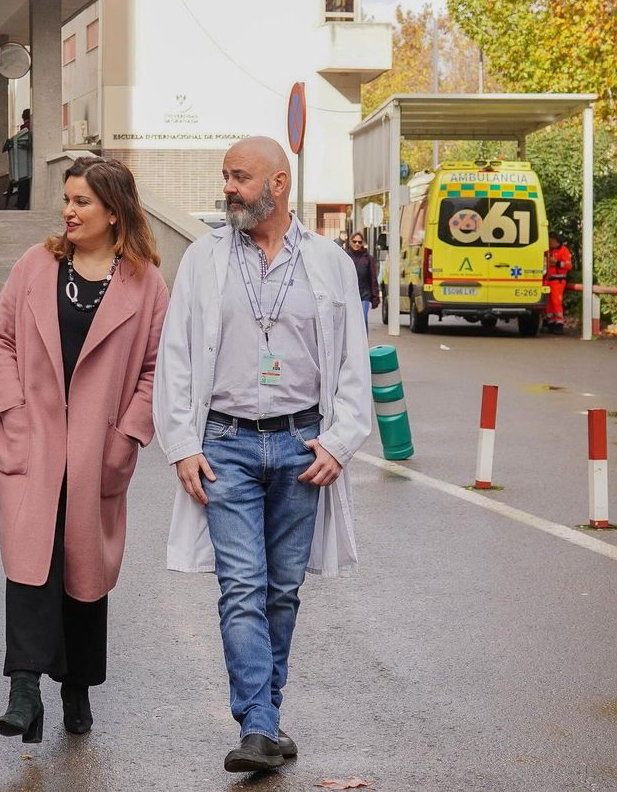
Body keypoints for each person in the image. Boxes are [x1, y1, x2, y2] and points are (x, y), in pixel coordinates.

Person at [154, 137, 372, 774]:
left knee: (282, 590)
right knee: (242, 587)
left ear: (278, 183)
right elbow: (177, 356)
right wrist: (182, 445)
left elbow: (352, 363)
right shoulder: (202, 257)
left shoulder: (328, 262)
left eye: (240, 177)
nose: (228, 188)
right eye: (225, 176)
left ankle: (266, 718)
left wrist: (340, 441)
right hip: (225, 444)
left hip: (303, 444)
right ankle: (256, 723)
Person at [0, 156, 169, 743]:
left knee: (84, 572)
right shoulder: (36, 266)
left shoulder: (145, 282)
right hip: (32, 441)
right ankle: (23, 688)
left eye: (83, 201)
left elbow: (156, 368)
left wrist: (127, 435)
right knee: (30, 565)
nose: (69, 210)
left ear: (115, 212)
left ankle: (78, 688)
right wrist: (12, 410)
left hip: (98, 448)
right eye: (67, 198)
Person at [345, 231, 381, 328]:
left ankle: (364, 342)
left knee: (363, 318)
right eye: (355, 241)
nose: (357, 244)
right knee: (350, 321)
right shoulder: (345, 256)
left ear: (362, 244)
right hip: (349, 295)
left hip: (364, 294)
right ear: (351, 242)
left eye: (359, 242)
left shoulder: (368, 259)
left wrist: (375, 298)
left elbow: (373, 279)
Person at [2, 109, 34, 210]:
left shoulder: (22, 130)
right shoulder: (30, 129)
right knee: (25, 185)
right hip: (27, 166)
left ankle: (18, 200)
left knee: (22, 184)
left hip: (19, 167)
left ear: (23, 118)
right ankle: (20, 204)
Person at [544, 233, 572, 330]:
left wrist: (556, 262)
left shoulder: (563, 250)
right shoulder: (548, 250)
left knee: (556, 302)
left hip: (558, 280)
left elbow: (568, 266)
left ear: (555, 240)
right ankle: (550, 321)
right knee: (548, 303)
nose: (548, 243)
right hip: (548, 280)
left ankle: (559, 323)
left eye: (550, 241)